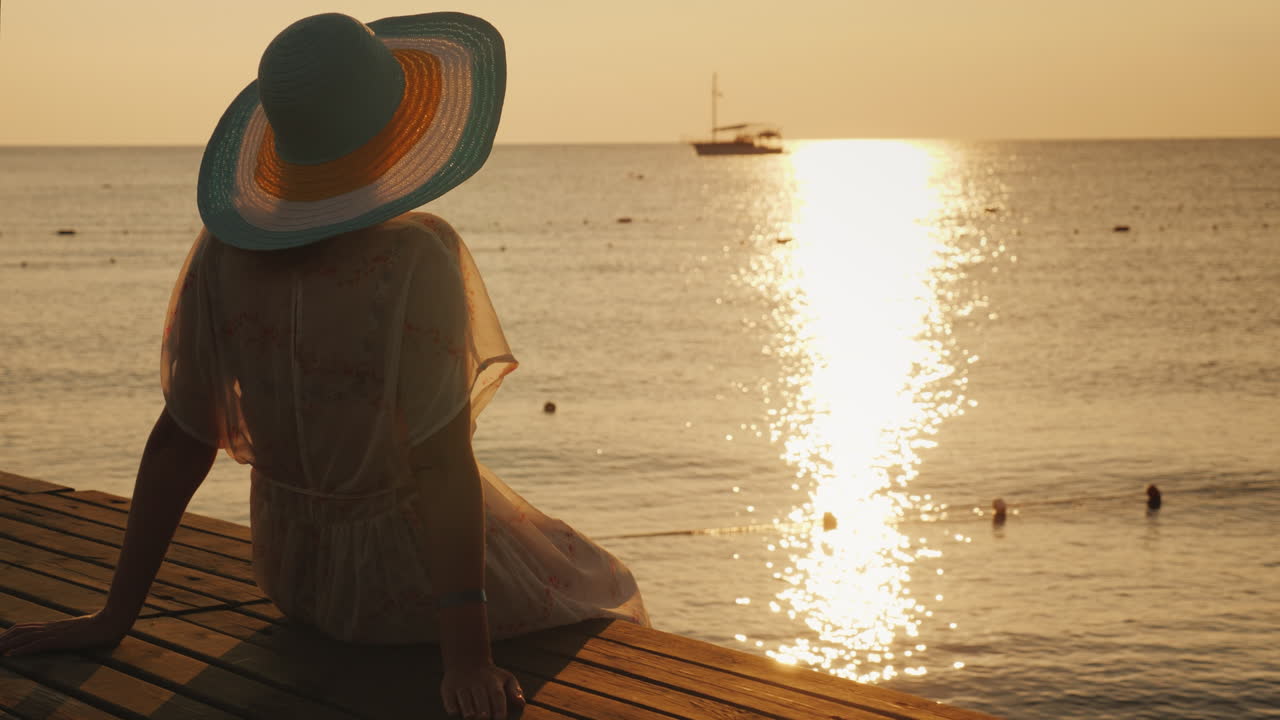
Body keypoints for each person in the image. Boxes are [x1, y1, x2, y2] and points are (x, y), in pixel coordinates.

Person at [0, 12, 649, 720]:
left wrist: (114, 614)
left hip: (294, 574)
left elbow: (182, 438)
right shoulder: (415, 257)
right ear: (391, 137)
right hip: (405, 588)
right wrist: (468, 659)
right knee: (601, 582)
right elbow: (439, 462)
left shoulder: (224, 257)